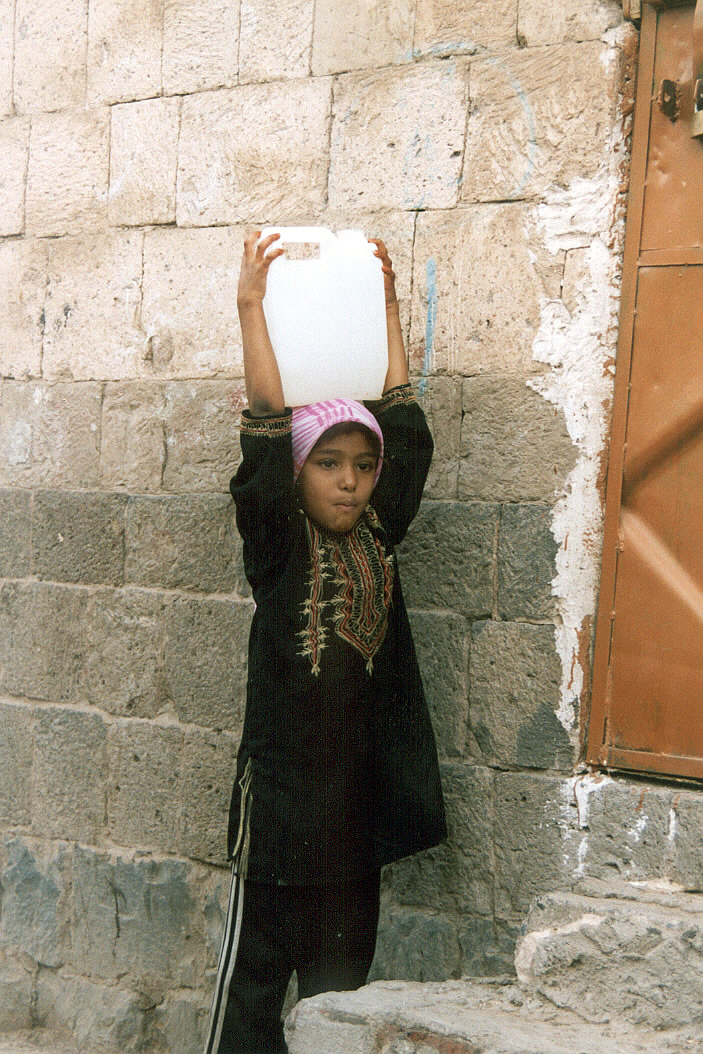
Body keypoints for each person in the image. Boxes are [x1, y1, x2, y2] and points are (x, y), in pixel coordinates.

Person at [203, 231, 447, 1054]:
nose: (349, 480)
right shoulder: (276, 545)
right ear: (298, 473)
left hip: (353, 826)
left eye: (362, 465)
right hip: (278, 824)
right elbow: (268, 425)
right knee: (253, 1004)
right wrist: (250, 309)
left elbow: (405, 426)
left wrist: (382, 306)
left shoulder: (378, 535)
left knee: (341, 1008)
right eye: (329, 464)